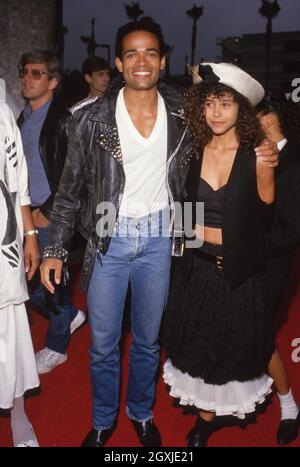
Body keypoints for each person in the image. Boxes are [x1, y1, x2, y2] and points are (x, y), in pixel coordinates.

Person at [40, 18, 193, 447]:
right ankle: (104, 419)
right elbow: (69, 193)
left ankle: (140, 413)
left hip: (162, 235)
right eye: (131, 53)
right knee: (104, 344)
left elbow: (221, 148)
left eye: (149, 52)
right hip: (109, 232)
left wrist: (269, 148)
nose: (141, 61)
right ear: (120, 63)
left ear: (162, 60)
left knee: (148, 340)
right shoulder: (89, 120)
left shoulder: (185, 111)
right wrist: (54, 248)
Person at [162, 62, 279, 447]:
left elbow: (264, 217)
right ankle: (205, 419)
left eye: (225, 104)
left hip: (238, 272)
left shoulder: (257, 155)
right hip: (196, 266)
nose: (216, 113)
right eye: (209, 103)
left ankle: (285, 402)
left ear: (241, 110)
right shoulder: (192, 150)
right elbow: (185, 210)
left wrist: (270, 157)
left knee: (246, 348)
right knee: (197, 347)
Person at [17, 50, 85, 375]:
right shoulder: (21, 118)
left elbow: (76, 175)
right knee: (25, 283)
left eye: (36, 73)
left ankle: (57, 347)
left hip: (50, 215)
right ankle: (69, 314)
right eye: (25, 72)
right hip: (25, 215)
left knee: (49, 283)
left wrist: (47, 210)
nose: (27, 79)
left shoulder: (62, 120)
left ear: (53, 82)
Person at [257, 91, 300, 445]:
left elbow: (291, 231)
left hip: (272, 268)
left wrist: (246, 243)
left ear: (268, 121)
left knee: (259, 336)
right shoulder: (257, 157)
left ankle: (288, 404)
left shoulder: (295, 165)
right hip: (246, 263)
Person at [0, 94, 40, 447]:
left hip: (3, 234)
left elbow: (18, 181)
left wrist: (30, 235)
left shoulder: (0, 110)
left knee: (8, 326)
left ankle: (17, 412)